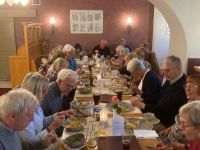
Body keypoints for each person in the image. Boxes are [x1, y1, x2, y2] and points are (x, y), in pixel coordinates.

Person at [132, 55, 187, 128]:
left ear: (178, 69)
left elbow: (163, 110)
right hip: (158, 117)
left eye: (167, 70)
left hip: (166, 124)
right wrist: (143, 99)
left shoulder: (182, 87)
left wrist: (143, 105)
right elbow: (159, 97)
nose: (164, 73)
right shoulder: (171, 79)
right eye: (163, 70)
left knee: (135, 127)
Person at [20, 73, 72, 142]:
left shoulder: (36, 104)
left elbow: (41, 121)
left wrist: (58, 115)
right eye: (43, 91)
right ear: (33, 91)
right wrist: (50, 128)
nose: (46, 94)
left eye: (46, 90)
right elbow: (30, 144)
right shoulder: (22, 113)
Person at [158, 74, 200, 149]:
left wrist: (176, 146)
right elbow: (180, 121)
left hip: (174, 142)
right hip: (170, 139)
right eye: (186, 86)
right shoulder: (189, 103)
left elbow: (190, 143)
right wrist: (169, 129)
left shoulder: (196, 110)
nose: (187, 89)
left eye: (192, 86)